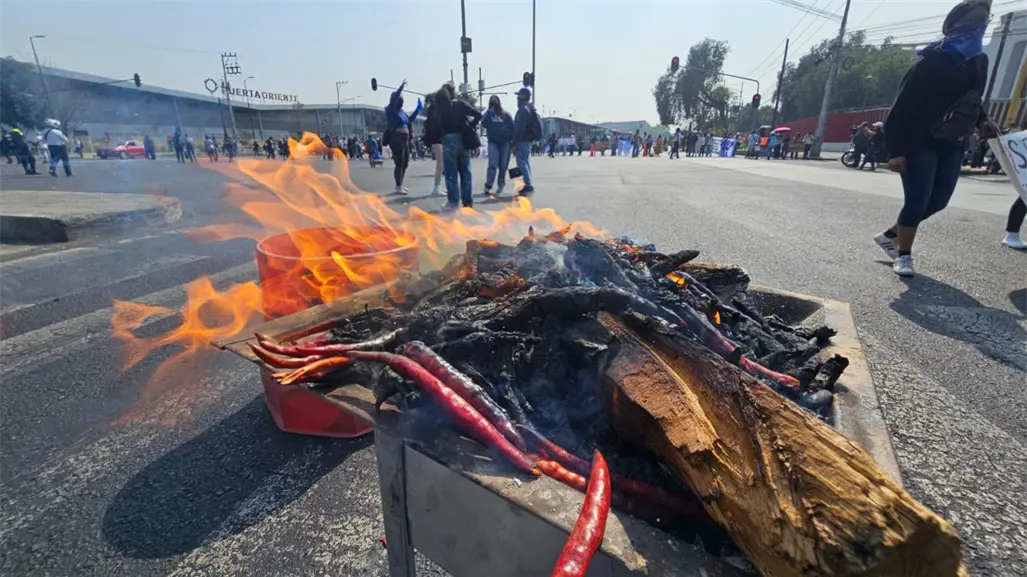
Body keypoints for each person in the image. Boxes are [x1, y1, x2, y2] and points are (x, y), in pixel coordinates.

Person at [874, 0, 995, 277]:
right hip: (918, 142)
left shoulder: (979, 62)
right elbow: (901, 109)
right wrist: (895, 151)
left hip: (952, 141)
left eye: (983, 22)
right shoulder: (930, 62)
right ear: (950, 26)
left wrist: (983, 120)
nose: (977, 28)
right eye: (972, 21)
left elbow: (971, 100)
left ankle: (890, 234)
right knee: (917, 201)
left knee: (938, 201)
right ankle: (903, 255)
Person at [435, 86, 481, 211]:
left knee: (451, 173)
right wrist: (470, 126)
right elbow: (478, 114)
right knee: (466, 172)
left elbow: (437, 125)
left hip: (449, 140)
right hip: (463, 139)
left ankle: (453, 203)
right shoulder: (460, 105)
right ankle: (468, 203)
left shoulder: (442, 108)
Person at [384, 80, 422, 195]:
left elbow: (409, 120)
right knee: (399, 162)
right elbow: (395, 98)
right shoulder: (390, 110)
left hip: (405, 139)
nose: (401, 99)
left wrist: (418, 110)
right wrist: (400, 87)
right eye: (399, 98)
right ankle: (398, 186)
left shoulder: (402, 112)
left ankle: (400, 184)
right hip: (396, 139)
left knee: (405, 162)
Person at [481, 95, 514, 196]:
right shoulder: (489, 114)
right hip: (493, 142)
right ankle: (488, 185)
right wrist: (488, 112)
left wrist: (512, 142)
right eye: (492, 103)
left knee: (503, 165)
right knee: (493, 164)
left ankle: (501, 185)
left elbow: (512, 128)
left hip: (505, 143)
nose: (494, 105)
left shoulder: (506, 115)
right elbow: (483, 124)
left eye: (496, 102)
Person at [513, 86, 541, 196]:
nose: (517, 98)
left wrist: (514, 142)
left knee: (521, 161)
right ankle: (527, 183)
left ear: (523, 97)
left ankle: (528, 184)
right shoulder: (529, 108)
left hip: (522, 139)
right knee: (525, 161)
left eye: (519, 96)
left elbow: (519, 128)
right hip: (527, 139)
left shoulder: (523, 109)